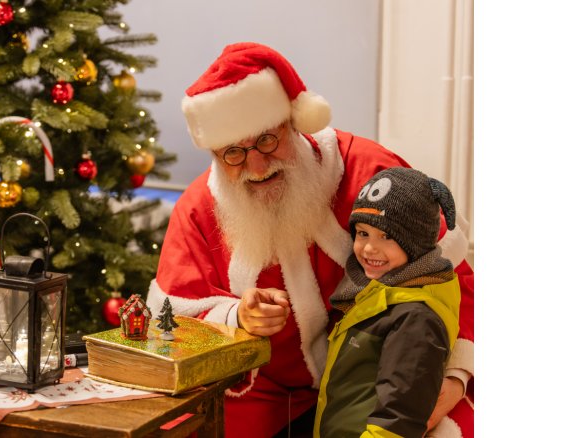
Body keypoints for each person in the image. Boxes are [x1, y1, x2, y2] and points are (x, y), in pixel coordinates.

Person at [145, 42, 473, 437]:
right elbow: (170, 325)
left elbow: (453, 275)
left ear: (294, 125)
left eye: (267, 139)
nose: (257, 166)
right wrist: (237, 317)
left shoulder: (371, 172)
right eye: (233, 152)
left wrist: (454, 378)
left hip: (383, 383)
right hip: (259, 395)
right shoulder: (200, 210)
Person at [314, 167, 465, 437]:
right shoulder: (377, 293)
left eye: (386, 236)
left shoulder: (416, 318)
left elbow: (397, 421)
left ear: (416, 243)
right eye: (362, 233)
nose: (370, 248)